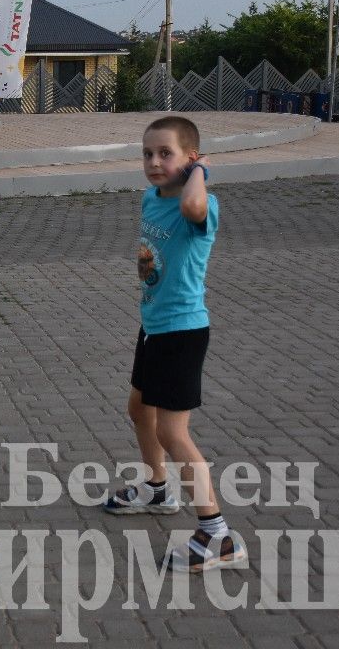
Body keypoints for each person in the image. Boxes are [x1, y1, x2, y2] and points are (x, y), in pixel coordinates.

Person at [104, 115, 247, 572]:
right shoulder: (150, 198)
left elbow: (192, 210)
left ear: (191, 158)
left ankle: (217, 534)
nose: (153, 162)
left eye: (166, 153)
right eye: (147, 153)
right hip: (154, 326)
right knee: (138, 409)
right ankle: (156, 490)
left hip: (183, 332)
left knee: (172, 431)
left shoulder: (202, 205)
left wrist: (201, 172)